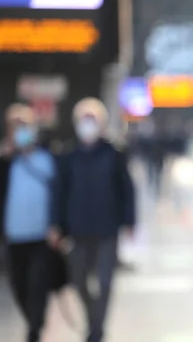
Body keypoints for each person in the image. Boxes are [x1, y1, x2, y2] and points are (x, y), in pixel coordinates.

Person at [48, 97, 135, 342]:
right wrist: (56, 224)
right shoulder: (69, 155)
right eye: (84, 120)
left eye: (92, 120)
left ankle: (97, 330)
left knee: (105, 282)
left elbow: (126, 189)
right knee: (78, 280)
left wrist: (129, 221)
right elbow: (60, 191)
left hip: (107, 228)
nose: (88, 125)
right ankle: (93, 319)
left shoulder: (114, 153)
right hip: (77, 229)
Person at [0, 104, 55, 342]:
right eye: (15, 126)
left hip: (42, 234)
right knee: (19, 285)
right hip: (14, 235)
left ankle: (35, 328)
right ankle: (34, 321)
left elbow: (59, 193)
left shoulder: (47, 157)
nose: (19, 131)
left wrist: (58, 225)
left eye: (24, 125)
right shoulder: (6, 162)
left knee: (38, 284)